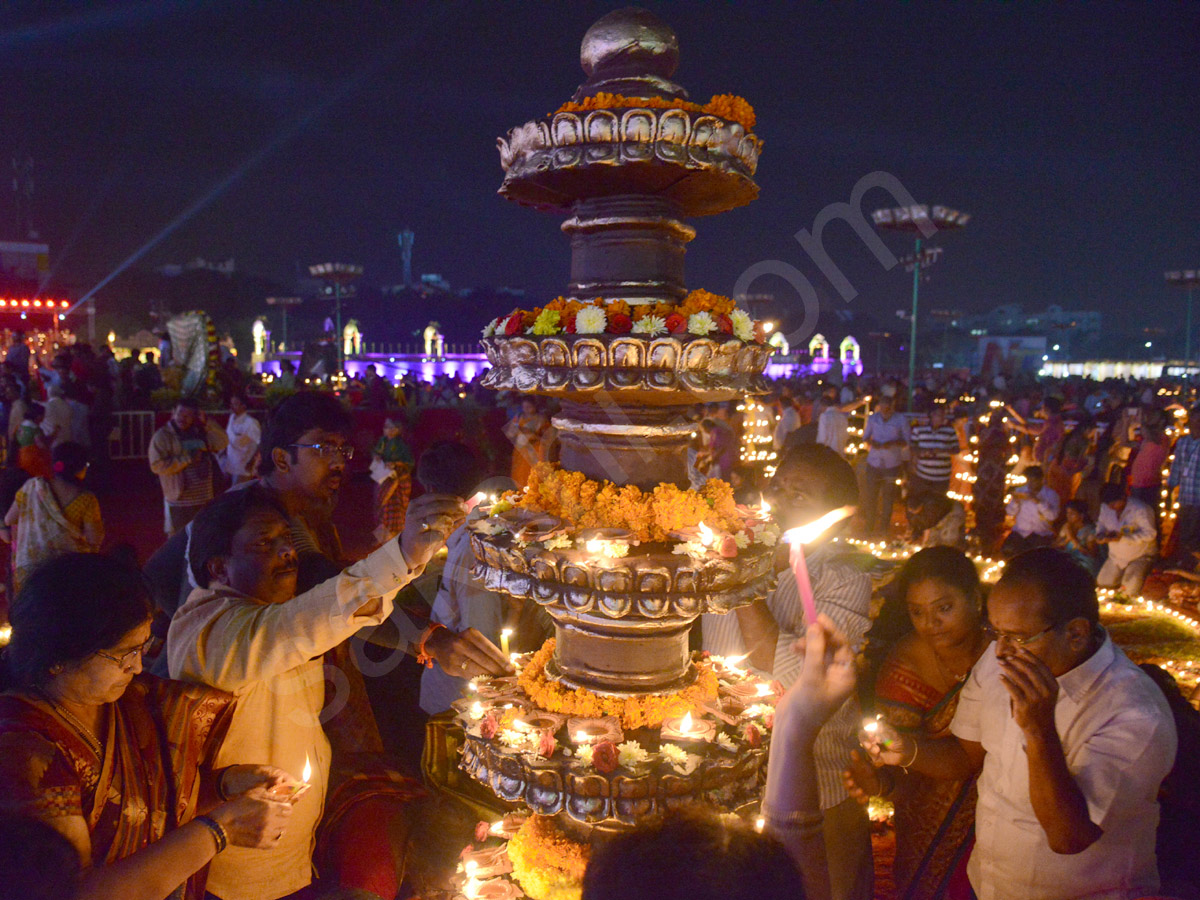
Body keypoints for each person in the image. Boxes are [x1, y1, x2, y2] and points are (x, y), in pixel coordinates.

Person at [167, 484, 502, 900]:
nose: (286, 552)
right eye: (263, 543)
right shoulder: (210, 630)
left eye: (286, 540)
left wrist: (427, 635)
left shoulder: (270, 613)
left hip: (290, 862)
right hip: (230, 879)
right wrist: (404, 554)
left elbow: (325, 612)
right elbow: (306, 623)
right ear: (218, 569)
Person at [863, 548, 1177, 900]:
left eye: (1017, 637)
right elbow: (965, 757)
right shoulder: (1001, 662)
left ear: (1075, 634)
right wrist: (906, 751)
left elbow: (1068, 837)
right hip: (990, 885)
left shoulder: (1133, 713)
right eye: (996, 633)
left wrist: (1039, 729)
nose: (999, 651)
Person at [0, 553, 294, 900]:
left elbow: (158, 803)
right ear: (59, 657)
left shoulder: (131, 703)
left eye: (144, 648)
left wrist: (227, 785)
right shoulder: (26, 747)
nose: (139, 667)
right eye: (125, 654)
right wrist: (221, 829)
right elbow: (77, 893)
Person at [703, 443, 873, 900]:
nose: (777, 499)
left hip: (817, 783)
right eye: (777, 485)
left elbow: (788, 682)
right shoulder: (722, 554)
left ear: (834, 517)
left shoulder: (842, 580)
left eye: (799, 495)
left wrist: (744, 580)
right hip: (728, 777)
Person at [846, 548, 989, 900]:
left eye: (944, 608)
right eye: (917, 612)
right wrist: (878, 781)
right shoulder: (904, 669)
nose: (931, 623)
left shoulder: (1005, 649)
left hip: (1006, 813)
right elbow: (902, 774)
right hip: (932, 826)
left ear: (974, 599)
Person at [420, 453, 547, 714]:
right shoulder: (478, 533)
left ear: (431, 492)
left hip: (459, 706)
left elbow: (482, 638)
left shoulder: (473, 546)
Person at [0, 441, 103, 593]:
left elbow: (9, 519)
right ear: (80, 468)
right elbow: (94, 539)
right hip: (67, 570)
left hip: (30, 571)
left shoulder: (32, 487)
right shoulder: (86, 499)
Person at [148, 398, 228, 535]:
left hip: (204, 497)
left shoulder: (199, 432)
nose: (182, 419)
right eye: (180, 414)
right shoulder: (163, 436)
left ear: (194, 417)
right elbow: (156, 466)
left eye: (188, 416)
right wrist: (186, 459)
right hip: (180, 500)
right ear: (173, 413)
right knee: (181, 540)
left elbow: (222, 442)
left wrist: (207, 422)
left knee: (202, 537)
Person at [1095, 482, 1156, 595]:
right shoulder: (1106, 508)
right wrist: (1101, 535)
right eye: (1108, 505)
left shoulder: (1140, 509)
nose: (1111, 508)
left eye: (1114, 504)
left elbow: (1150, 534)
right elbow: (1101, 524)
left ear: (1123, 497)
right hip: (1116, 557)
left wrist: (1124, 538)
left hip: (1139, 556)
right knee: (1103, 584)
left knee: (1129, 590)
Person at [861, 395, 909, 537]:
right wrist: (871, 443)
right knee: (871, 496)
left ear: (892, 407)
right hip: (874, 462)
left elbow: (907, 441)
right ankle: (869, 527)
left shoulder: (900, 420)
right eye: (882, 408)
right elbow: (865, 437)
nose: (884, 411)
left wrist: (893, 443)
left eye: (887, 408)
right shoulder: (873, 419)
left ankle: (883, 528)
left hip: (892, 463)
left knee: (888, 497)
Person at [907, 403, 959, 513]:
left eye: (943, 415)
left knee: (938, 506)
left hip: (941, 477)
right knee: (919, 504)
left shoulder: (949, 431)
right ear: (932, 415)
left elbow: (956, 449)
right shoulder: (920, 430)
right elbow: (913, 448)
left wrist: (943, 450)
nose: (942, 418)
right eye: (940, 415)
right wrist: (923, 452)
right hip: (923, 475)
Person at [1000, 465, 1059, 557]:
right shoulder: (1021, 490)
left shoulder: (1051, 495)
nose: (1030, 484)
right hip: (1020, 532)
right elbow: (1010, 513)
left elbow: (1053, 516)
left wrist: (1038, 502)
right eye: (1028, 481)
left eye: (1033, 481)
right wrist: (1015, 502)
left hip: (1040, 533)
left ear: (1040, 480)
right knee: (1007, 551)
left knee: (1038, 556)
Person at [371, 417, 414, 543]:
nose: (387, 430)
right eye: (386, 427)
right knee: (382, 506)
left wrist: (396, 464)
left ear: (398, 429)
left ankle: (397, 537)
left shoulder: (401, 444)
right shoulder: (382, 441)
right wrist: (377, 457)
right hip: (384, 477)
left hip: (398, 479)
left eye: (391, 427)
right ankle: (383, 537)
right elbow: (376, 453)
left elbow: (409, 462)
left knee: (396, 507)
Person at [972, 410, 1009, 554]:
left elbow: (978, 447)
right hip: (996, 473)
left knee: (983, 503)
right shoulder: (1003, 434)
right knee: (993, 503)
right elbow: (1009, 453)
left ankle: (984, 540)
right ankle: (991, 542)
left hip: (986, 472)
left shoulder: (986, 432)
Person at [1167, 406, 1200, 564]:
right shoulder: (1183, 442)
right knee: (1185, 533)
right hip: (1185, 497)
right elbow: (1177, 467)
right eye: (1195, 419)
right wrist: (1170, 488)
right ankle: (1185, 565)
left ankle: (1192, 566)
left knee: (1195, 536)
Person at [504, 397, 547, 488]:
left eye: (529, 407)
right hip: (521, 449)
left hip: (535, 449)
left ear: (535, 406)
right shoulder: (518, 418)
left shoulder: (541, 419)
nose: (526, 410)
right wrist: (516, 432)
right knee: (520, 473)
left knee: (534, 474)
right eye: (524, 407)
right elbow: (509, 433)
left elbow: (547, 438)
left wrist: (531, 435)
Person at [220, 393, 260, 485]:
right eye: (231, 404)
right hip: (230, 465)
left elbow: (260, 444)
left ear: (243, 406)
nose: (232, 407)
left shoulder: (251, 423)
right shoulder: (231, 418)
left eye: (235, 404)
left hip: (243, 468)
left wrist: (251, 462)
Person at [1056, 499, 1099, 575]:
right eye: (1067, 513)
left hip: (1084, 564)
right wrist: (1067, 539)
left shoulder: (1090, 530)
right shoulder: (1066, 527)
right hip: (1069, 561)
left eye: (1072, 514)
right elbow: (1056, 545)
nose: (1068, 516)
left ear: (1081, 515)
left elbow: (1092, 554)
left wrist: (1073, 539)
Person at [14, 401, 51, 479]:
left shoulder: (21, 426)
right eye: (43, 415)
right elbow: (41, 445)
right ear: (38, 416)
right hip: (34, 459)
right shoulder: (35, 428)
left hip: (21, 457)